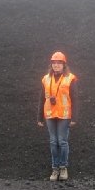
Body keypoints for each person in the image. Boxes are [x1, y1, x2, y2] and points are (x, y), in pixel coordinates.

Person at [37, 51, 78, 181]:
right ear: (51, 65)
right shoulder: (46, 79)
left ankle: (63, 168)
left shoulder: (70, 78)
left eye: (59, 63)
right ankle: (55, 168)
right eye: (54, 63)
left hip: (64, 115)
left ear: (64, 65)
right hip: (49, 114)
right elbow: (41, 99)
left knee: (62, 141)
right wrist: (39, 117)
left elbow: (75, 99)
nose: (56, 65)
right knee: (53, 142)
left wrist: (74, 117)